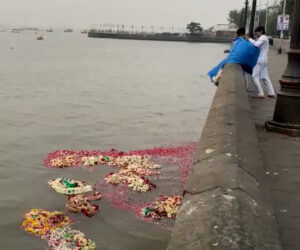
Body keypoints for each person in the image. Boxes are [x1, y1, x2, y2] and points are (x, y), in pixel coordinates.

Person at [248, 26, 276, 98]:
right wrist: (254, 38)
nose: (255, 33)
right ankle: (271, 92)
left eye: (256, 32)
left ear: (260, 31)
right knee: (265, 77)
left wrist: (249, 39)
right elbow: (257, 43)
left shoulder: (263, 37)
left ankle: (261, 93)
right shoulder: (263, 38)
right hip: (264, 60)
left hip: (260, 60)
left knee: (254, 76)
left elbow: (256, 44)